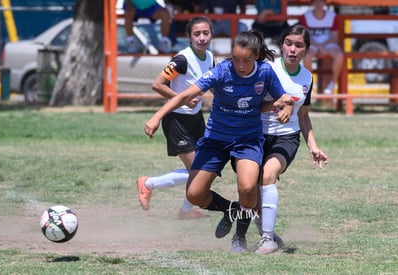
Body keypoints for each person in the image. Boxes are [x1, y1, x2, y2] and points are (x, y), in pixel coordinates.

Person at [144, 30, 294, 244]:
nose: (240, 65)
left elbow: (283, 98)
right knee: (194, 194)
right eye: (236, 59)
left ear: (257, 56)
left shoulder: (265, 72)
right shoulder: (221, 71)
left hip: (247, 140)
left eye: (246, 60)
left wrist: (287, 107)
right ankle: (231, 209)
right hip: (215, 139)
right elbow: (187, 94)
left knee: (248, 187)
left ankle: (240, 236)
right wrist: (157, 116)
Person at [217, 24, 329, 253]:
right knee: (250, 191)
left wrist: (313, 146)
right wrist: (278, 104)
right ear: (281, 45)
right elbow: (248, 104)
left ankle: (267, 239)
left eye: (299, 45)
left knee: (267, 176)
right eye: (288, 44)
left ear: (306, 50)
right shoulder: (266, 69)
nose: (293, 49)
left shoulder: (307, 77)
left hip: (286, 138)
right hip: (254, 135)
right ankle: (242, 235)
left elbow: (303, 115)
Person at [137, 16, 215, 219]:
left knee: (204, 169)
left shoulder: (210, 57)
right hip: (176, 120)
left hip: (196, 119)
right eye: (196, 34)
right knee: (198, 171)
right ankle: (148, 184)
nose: (201, 37)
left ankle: (186, 211)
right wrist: (181, 99)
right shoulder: (182, 59)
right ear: (189, 37)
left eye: (205, 33)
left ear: (211, 35)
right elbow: (158, 84)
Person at [299, 0, 344, 94]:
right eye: (316, 2)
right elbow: (305, 36)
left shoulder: (332, 16)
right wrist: (318, 46)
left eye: (321, 1)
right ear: (312, 4)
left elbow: (335, 37)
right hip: (312, 43)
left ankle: (332, 83)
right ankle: (310, 84)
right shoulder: (305, 16)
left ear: (324, 3)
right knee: (306, 56)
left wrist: (323, 45)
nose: (318, 4)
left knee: (340, 56)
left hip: (328, 43)